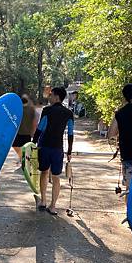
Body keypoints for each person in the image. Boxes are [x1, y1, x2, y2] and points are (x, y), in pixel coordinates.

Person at [33, 86, 74, 215]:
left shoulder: (47, 110)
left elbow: (40, 128)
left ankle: (44, 201)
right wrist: (69, 151)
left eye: (51, 95)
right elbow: (71, 133)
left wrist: (33, 143)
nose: (49, 97)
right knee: (56, 177)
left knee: (44, 173)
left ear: (56, 96)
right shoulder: (68, 113)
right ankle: (53, 206)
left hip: (44, 146)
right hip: (58, 148)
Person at [12, 94, 37, 164]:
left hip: (19, 131)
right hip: (26, 132)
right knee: (25, 147)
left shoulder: (18, 108)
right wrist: (33, 131)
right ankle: (23, 157)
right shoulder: (31, 109)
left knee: (15, 145)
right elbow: (34, 121)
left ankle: (23, 158)